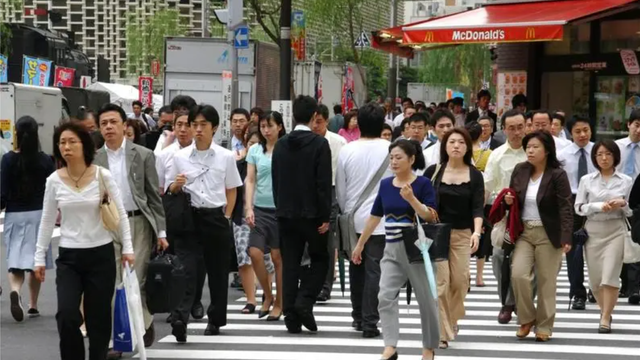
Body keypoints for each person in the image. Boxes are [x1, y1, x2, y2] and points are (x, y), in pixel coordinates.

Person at [34, 122, 134, 360]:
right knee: (67, 315)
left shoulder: (103, 176)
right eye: (62, 143)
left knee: (98, 319)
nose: (66, 147)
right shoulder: (53, 181)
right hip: (69, 257)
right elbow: (47, 221)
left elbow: (120, 214)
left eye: (72, 142)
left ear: (84, 145)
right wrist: (39, 257)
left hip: (101, 255)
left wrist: (128, 249)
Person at [353, 139, 438, 360]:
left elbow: (429, 215)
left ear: (411, 159)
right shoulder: (386, 185)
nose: (394, 161)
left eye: (399, 157)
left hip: (416, 250)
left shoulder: (423, 184)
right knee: (385, 296)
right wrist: (360, 244)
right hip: (390, 249)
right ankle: (390, 346)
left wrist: (412, 200)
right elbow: (375, 216)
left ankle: (429, 347)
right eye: (391, 157)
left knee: (426, 300)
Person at [95, 103, 168, 356]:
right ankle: (119, 340)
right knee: (115, 281)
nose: (108, 127)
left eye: (113, 122)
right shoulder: (94, 159)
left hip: (138, 222)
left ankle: (144, 323)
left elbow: (153, 197)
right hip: (109, 224)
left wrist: (161, 232)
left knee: (136, 279)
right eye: (104, 123)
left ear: (124, 125)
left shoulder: (143, 155)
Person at [166, 104, 242, 342]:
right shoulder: (179, 157)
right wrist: (176, 185)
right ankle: (180, 317)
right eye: (194, 125)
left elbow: (232, 189)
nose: (197, 130)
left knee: (218, 272)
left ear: (214, 128)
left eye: (203, 125)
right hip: (188, 218)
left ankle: (216, 319)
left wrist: (227, 216)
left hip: (215, 217)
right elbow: (169, 189)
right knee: (186, 270)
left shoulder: (225, 156)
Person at [271, 95, 332, 334]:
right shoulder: (319, 144)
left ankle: (290, 315)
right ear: (314, 116)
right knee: (320, 259)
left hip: (286, 213)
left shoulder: (281, 144)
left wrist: (280, 208)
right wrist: (325, 216)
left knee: (290, 263)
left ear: (292, 115)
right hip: (313, 214)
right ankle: (305, 301)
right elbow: (323, 184)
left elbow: (276, 181)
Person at [505, 130, 573, 342]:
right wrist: (509, 200)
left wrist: (566, 236)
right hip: (524, 231)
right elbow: (514, 196)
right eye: (528, 147)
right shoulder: (520, 170)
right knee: (518, 274)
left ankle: (544, 326)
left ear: (547, 150)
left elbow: (565, 207)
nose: (530, 151)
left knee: (546, 282)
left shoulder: (557, 174)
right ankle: (526, 318)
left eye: (535, 147)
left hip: (549, 233)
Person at [336, 103, 392, 338]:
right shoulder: (392, 149)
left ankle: (358, 315)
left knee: (356, 267)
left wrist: (346, 211)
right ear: (382, 124)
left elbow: (340, 189)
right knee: (375, 270)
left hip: (353, 220)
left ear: (359, 124)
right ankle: (370, 321)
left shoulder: (347, 150)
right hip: (381, 221)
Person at [424, 128, 483, 349]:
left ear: (467, 147)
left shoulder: (474, 175)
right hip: (438, 234)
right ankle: (442, 331)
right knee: (441, 284)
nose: (456, 146)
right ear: (445, 146)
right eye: (451, 142)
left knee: (459, 282)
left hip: (462, 234)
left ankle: (452, 318)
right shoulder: (434, 171)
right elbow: (424, 202)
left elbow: (478, 208)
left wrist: (476, 232)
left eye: (460, 142)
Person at [1, 116, 56, 322]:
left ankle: (16, 290)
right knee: (36, 259)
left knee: (15, 259)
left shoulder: (8, 159)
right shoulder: (45, 160)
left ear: (16, 133)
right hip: (39, 214)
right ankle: (33, 305)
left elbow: (3, 192)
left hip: (14, 214)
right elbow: (53, 189)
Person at [576, 140, 632, 333]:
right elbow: (579, 208)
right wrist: (598, 206)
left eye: (608, 154)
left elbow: (632, 210)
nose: (604, 158)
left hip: (616, 230)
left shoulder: (626, 180)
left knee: (610, 276)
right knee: (595, 280)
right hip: (593, 231)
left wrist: (623, 204)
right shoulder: (587, 180)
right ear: (594, 157)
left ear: (615, 156)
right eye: (599, 154)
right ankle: (604, 310)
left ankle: (606, 317)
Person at [483, 109, 527, 324]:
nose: (517, 132)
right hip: (504, 217)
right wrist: (479, 220)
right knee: (500, 258)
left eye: (520, 127)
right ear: (504, 129)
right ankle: (508, 302)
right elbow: (487, 188)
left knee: (530, 265)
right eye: (512, 128)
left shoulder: (535, 151)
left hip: (531, 216)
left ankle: (517, 303)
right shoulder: (497, 155)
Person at [246, 113, 286, 320]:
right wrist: (248, 207)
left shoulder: (286, 149)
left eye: (270, 126)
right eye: (262, 126)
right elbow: (250, 179)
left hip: (280, 210)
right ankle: (268, 295)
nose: (266, 130)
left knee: (278, 258)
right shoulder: (254, 150)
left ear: (280, 126)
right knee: (254, 252)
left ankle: (279, 303)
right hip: (260, 209)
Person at [557, 116, 596, 310]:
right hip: (571, 202)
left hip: (596, 202)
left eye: (586, 130)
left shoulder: (599, 152)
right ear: (570, 133)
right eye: (578, 131)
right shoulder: (562, 156)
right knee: (573, 252)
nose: (582, 135)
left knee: (596, 248)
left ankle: (595, 289)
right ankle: (577, 293)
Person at [312, 104, 348, 302]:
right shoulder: (306, 140)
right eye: (313, 121)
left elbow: (343, 174)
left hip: (332, 191)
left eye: (319, 122)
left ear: (327, 121)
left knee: (328, 241)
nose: (316, 126)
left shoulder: (338, 142)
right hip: (309, 192)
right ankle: (312, 282)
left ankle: (325, 286)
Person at [615, 109, 640, 303]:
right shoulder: (617, 147)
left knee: (637, 243)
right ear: (629, 125)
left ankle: (635, 287)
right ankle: (623, 284)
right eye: (637, 125)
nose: (639, 130)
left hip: (638, 202)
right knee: (620, 243)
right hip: (617, 201)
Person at [465, 121, 492, 287]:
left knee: (465, 237)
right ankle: (480, 276)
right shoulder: (489, 154)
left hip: (466, 200)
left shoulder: (463, 154)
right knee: (482, 237)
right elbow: (489, 181)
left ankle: (466, 273)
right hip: (485, 200)